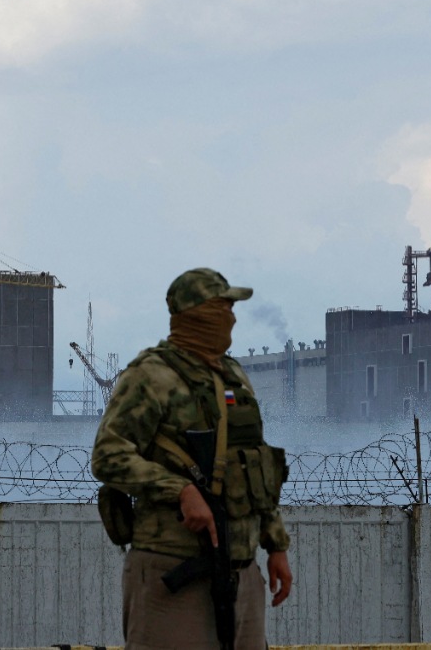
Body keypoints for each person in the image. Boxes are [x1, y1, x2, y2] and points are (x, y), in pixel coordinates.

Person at [91, 267, 293, 650]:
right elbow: (108, 455)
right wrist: (180, 489)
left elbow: (255, 466)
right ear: (196, 313)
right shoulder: (151, 375)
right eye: (224, 307)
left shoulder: (234, 375)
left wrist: (275, 545)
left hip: (241, 571)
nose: (232, 317)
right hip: (173, 568)